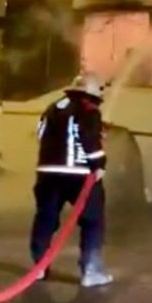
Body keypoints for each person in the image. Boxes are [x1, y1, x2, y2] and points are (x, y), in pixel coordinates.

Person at [30, 73, 114, 287]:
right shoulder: (88, 109)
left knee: (46, 219)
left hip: (47, 173)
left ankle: (39, 267)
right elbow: (88, 139)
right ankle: (91, 270)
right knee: (92, 220)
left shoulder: (52, 107)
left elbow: (40, 133)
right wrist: (99, 164)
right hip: (78, 175)